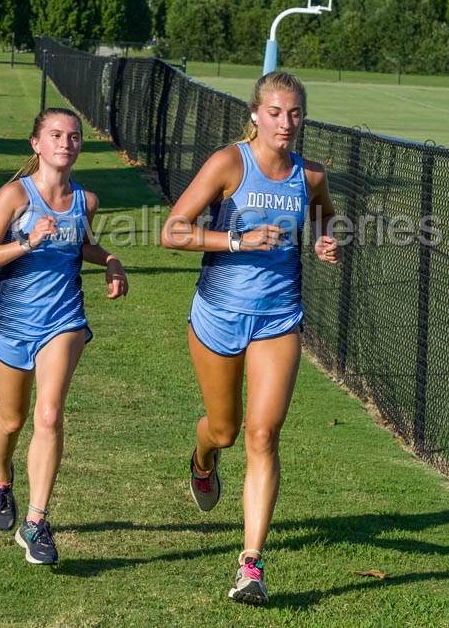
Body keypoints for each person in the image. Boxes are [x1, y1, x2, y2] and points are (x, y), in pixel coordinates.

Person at [161, 71, 340, 605]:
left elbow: (326, 217)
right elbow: (171, 231)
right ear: (256, 115)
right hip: (217, 314)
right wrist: (238, 240)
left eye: (295, 113)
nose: (286, 123)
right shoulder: (229, 164)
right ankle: (202, 459)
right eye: (276, 112)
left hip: (277, 320)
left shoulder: (309, 175)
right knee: (225, 430)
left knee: (264, 435)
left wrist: (327, 239)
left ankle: (251, 565)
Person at [0, 107, 128, 565]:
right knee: (12, 419)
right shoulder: (14, 197)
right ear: (36, 144)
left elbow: (82, 245)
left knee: (49, 412)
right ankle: (1, 476)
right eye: (56, 135)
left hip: (64, 320)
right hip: (10, 323)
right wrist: (27, 242)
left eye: (74, 136)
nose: (66, 142)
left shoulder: (86, 201)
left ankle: (36, 522)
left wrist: (112, 261)